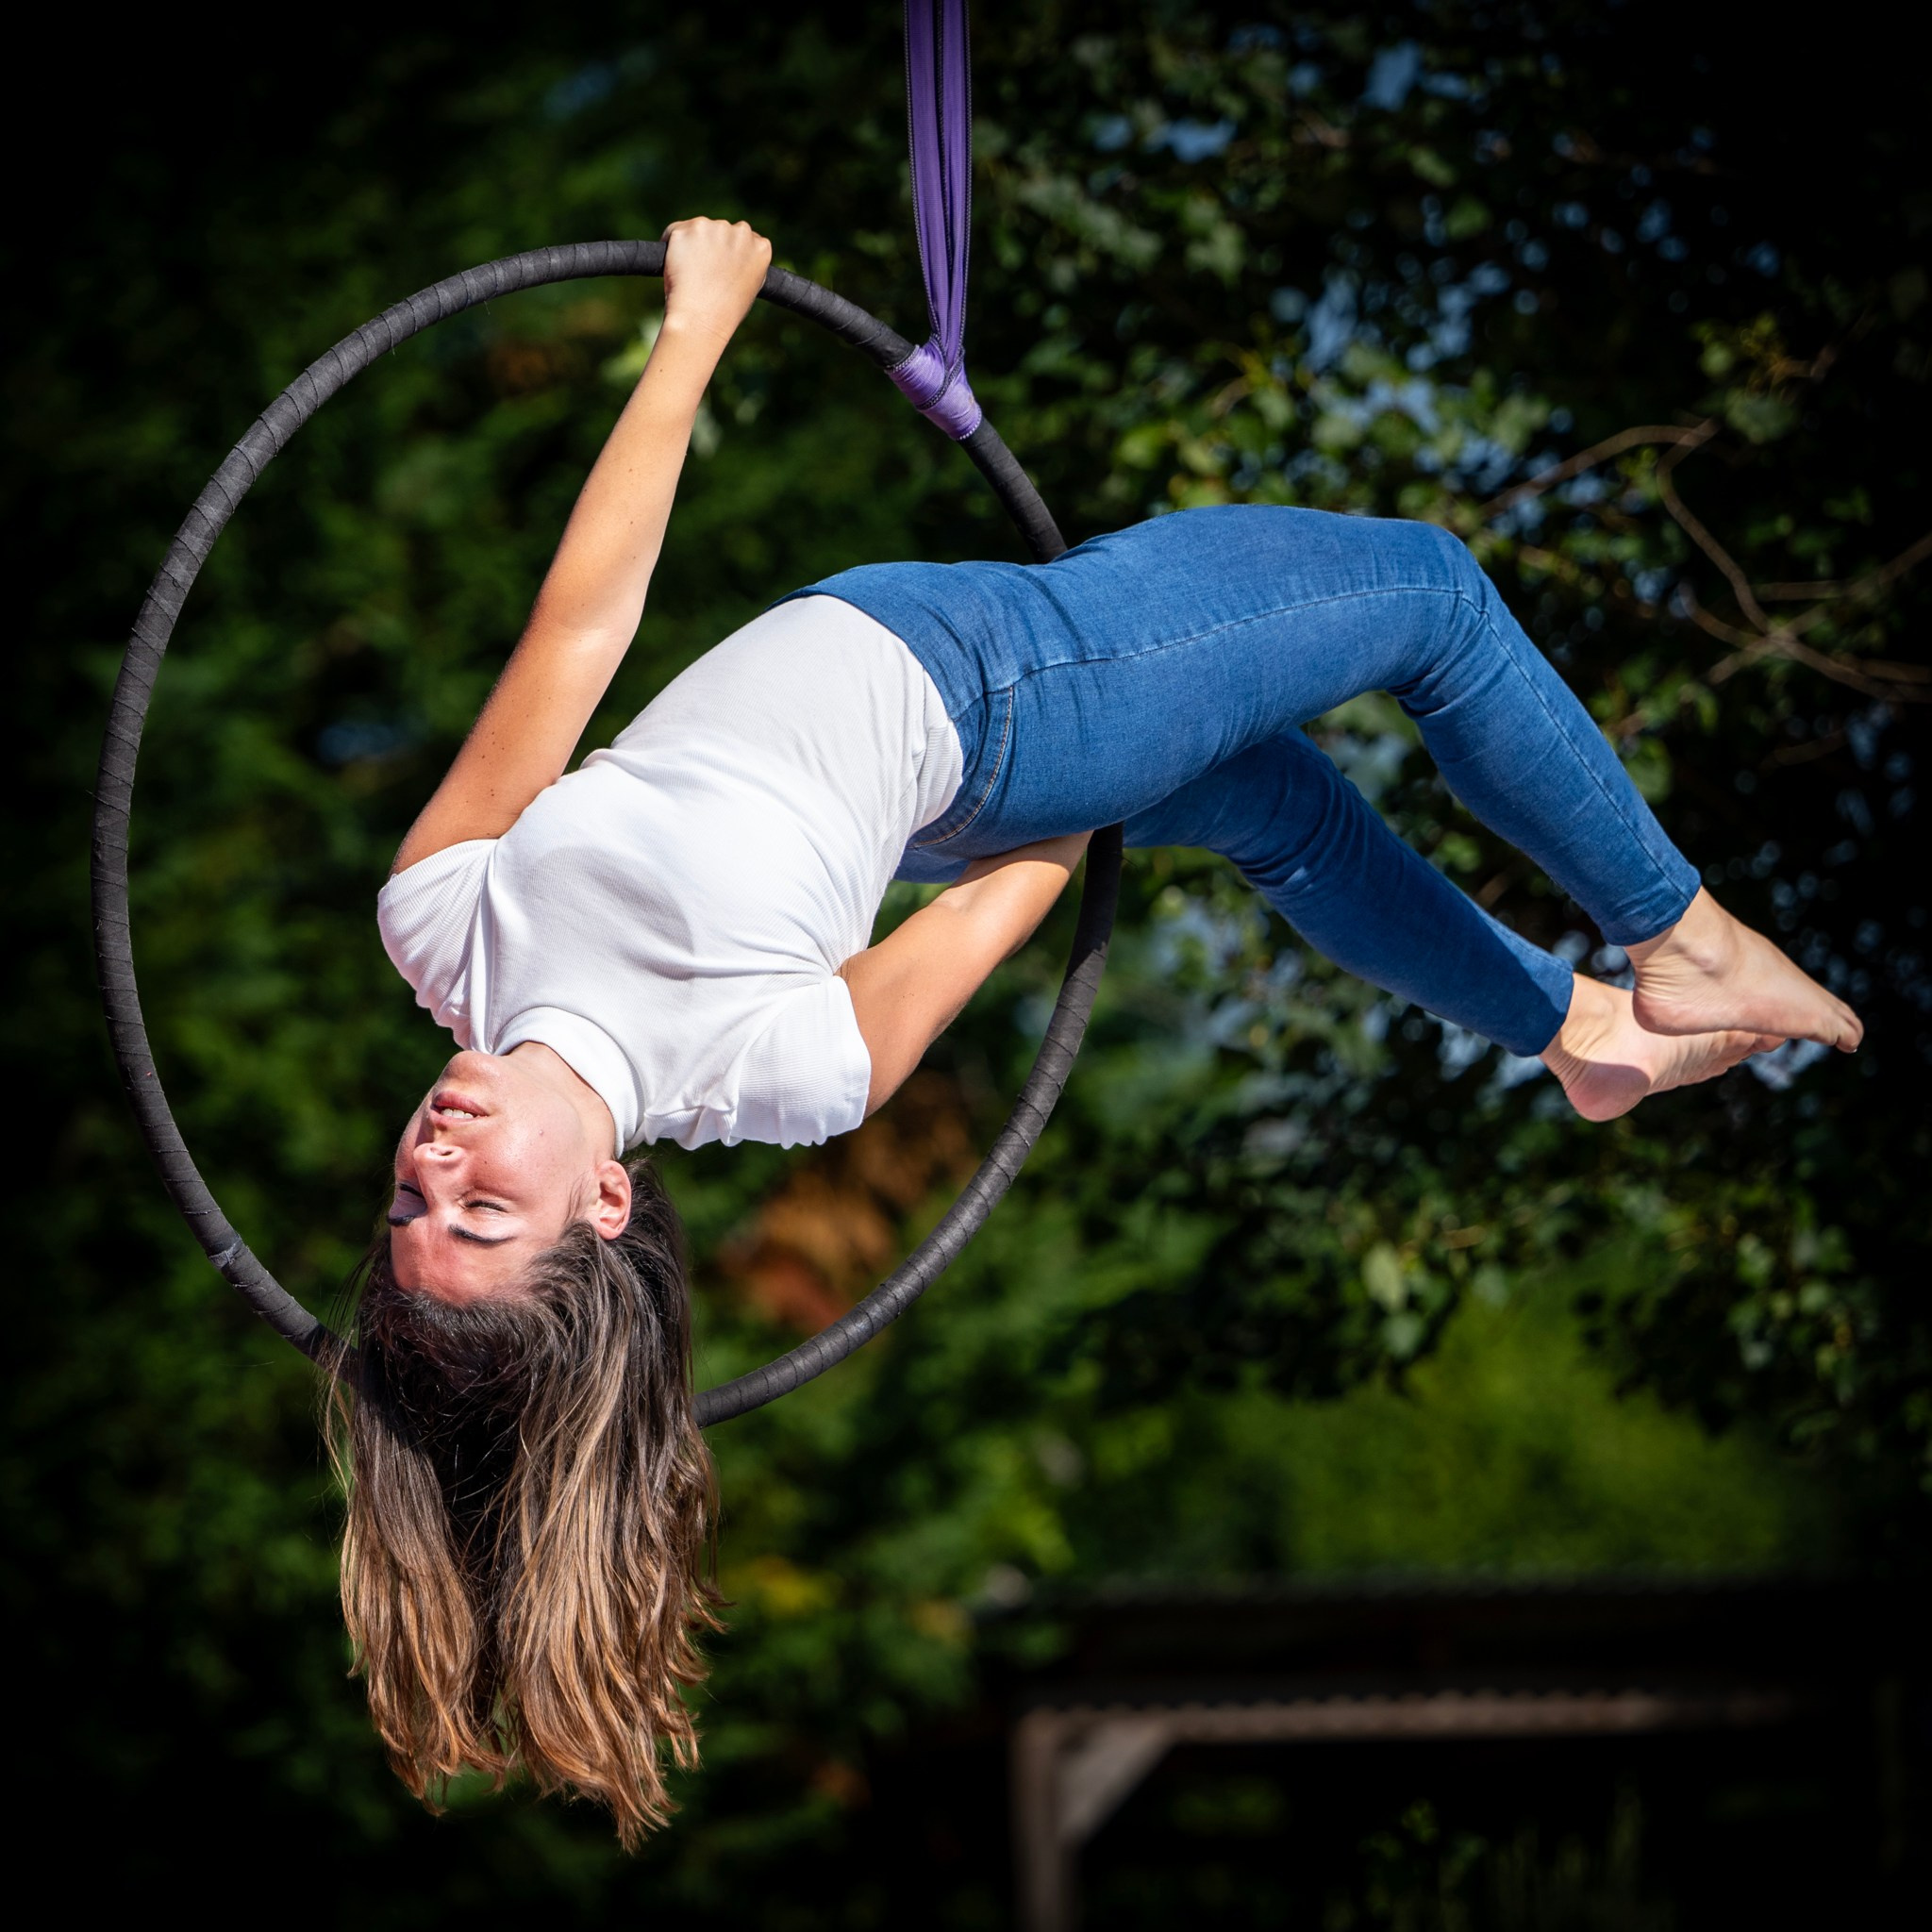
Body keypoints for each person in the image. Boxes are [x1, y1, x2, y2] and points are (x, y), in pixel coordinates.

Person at [335, 217, 1862, 1841]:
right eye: (485, 1210)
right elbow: (1011, 893)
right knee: (1426, 591)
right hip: (1002, 697)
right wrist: (1105, 739)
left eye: (412, 1201)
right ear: (604, 1206)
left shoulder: (439, 927)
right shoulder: (772, 1073)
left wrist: (692, 333)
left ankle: (1573, 1032)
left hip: (960, 712)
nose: (438, 1158)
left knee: (1281, 808)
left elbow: (580, 632)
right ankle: (1682, 943)